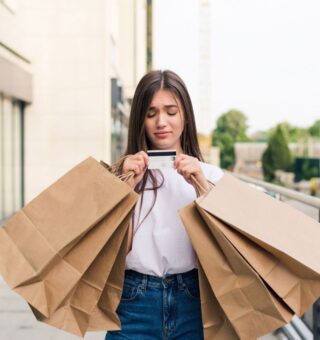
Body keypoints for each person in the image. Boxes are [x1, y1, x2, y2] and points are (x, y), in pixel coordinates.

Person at [106, 70, 223, 340]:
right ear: (140, 120)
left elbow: (229, 249)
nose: (161, 122)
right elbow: (106, 251)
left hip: (194, 301)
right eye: (151, 113)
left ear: (185, 115)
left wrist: (202, 186)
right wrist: (124, 187)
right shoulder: (120, 176)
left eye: (171, 111)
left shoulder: (211, 176)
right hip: (134, 301)